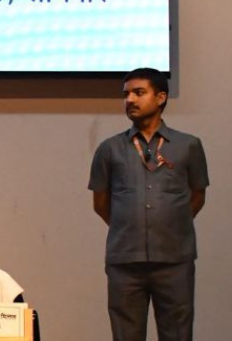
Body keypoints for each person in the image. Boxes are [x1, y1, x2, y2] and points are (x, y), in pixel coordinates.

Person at [89, 68, 209, 341]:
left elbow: (197, 195)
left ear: (160, 97)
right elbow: (101, 203)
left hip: (174, 260)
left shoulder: (188, 146)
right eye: (126, 94)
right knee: (126, 335)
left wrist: (169, 225)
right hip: (125, 261)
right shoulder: (109, 149)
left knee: (177, 334)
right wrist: (132, 227)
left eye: (139, 92)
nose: (130, 99)